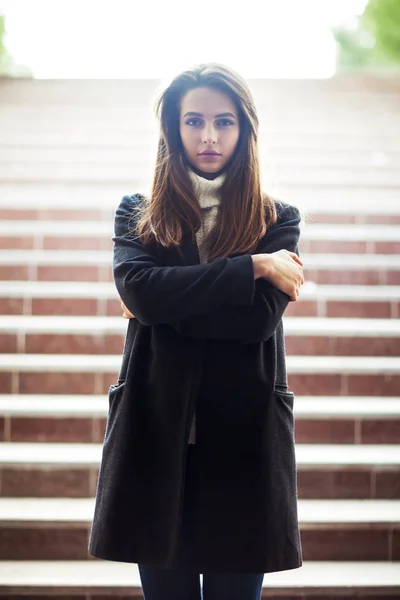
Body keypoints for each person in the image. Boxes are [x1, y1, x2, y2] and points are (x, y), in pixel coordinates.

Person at [88, 62, 305, 600]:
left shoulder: (277, 219)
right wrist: (251, 268)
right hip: (157, 436)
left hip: (242, 440)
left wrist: (165, 300)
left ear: (245, 129)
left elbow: (252, 321)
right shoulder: (137, 213)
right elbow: (140, 290)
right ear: (172, 127)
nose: (209, 136)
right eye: (194, 121)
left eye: (224, 122)